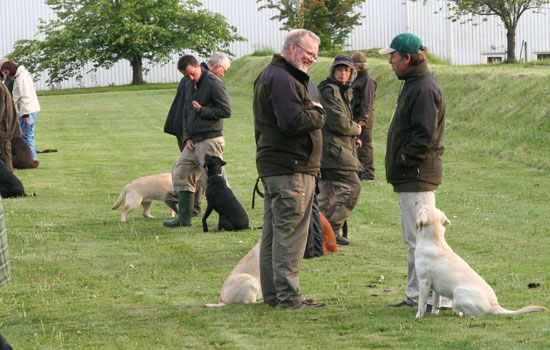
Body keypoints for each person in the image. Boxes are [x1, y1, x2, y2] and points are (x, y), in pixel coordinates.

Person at [253, 29, 326, 309]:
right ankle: (289, 297)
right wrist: (318, 112)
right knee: (290, 236)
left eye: (314, 56)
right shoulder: (284, 79)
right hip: (291, 169)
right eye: (309, 54)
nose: (311, 59)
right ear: (293, 48)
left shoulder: (271, 74)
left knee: (274, 235)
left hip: (278, 167)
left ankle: (274, 295)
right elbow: (292, 121)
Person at [379, 33, 451, 311]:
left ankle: (437, 299)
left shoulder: (422, 88)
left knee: (425, 242)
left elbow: (424, 135)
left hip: (416, 175)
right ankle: (416, 295)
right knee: (415, 240)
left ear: (407, 58)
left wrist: (402, 159)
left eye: (393, 56)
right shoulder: (414, 84)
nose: (390, 62)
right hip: (411, 175)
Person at [163, 54, 231, 227]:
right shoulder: (189, 84)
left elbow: (225, 110)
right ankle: (184, 218)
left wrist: (203, 110)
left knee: (215, 181)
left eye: (192, 74)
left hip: (210, 138)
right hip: (193, 141)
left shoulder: (214, 83)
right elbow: (186, 111)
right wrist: (187, 137)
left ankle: (231, 216)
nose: (190, 78)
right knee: (180, 172)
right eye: (186, 76)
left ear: (198, 66)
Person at [316, 54, 363, 246]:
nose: (343, 73)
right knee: (352, 187)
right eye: (339, 69)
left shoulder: (342, 90)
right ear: (333, 71)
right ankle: (330, 229)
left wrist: (353, 138)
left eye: (346, 70)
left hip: (334, 148)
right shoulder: (329, 91)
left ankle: (314, 230)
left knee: (327, 194)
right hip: (333, 150)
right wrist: (356, 129)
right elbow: (337, 121)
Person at [0, 60, 40, 162]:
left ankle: (30, 160)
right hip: (29, 109)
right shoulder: (20, 76)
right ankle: (31, 158)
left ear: (10, 69)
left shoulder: (21, 78)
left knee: (26, 136)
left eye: (5, 72)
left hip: (28, 110)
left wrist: (25, 115)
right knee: (27, 135)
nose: (5, 74)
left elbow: (25, 96)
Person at [351, 52, 377, 181]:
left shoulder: (367, 80)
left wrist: (363, 119)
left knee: (365, 146)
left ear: (358, 66)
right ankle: (360, 172)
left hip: (363, 119)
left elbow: (367, 102)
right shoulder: (357, 79)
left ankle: (368, 174)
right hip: (356, 117)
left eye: (353, 65)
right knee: (357, 145)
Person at [0, 81, 21, 172]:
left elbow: (1, 109)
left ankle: (9, 183)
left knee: (6, 155)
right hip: (5, 126)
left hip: (4, 128)